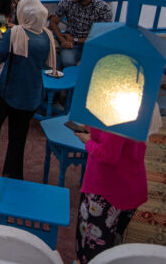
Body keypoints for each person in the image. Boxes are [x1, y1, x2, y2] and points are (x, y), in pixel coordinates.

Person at [0, 0, 56, 179]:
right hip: (31, 93)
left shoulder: (15, 33)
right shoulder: (47, 35)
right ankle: (12, 173)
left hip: (8, 90)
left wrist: (0, 40)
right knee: (18, 137)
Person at [73, 108, 160, 263]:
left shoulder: (118, 110)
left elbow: (107, 155)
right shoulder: (140, 103)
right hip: (128, 183)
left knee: (93, 249)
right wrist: (93, 129)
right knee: (112, 241)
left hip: (106, 189)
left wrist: (87, 140)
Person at [49, 0, 113, 68]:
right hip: (71, 45)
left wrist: (75, 39)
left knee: (94, 67)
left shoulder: (103, 8)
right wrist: (63, 40)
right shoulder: (67, 2)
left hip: (93, 45)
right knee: (68, 62)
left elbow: (103, 36)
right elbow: (53, 22)